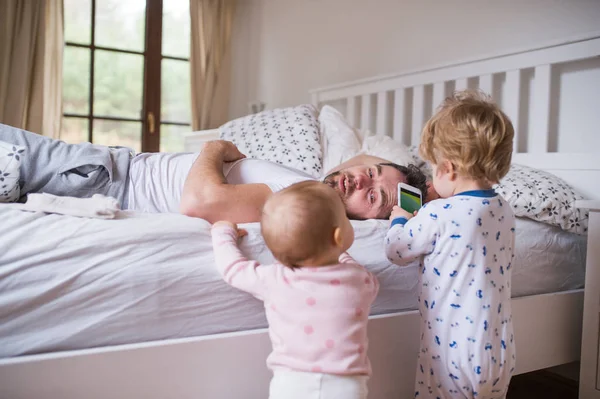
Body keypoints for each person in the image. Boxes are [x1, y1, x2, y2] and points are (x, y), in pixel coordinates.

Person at [0, 123, 432, 223]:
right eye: (371, 171)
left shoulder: (304, 200)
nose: (359, 180)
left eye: (372, 196)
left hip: (104, 178)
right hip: (108, 168)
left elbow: (198, 203)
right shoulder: (311, 182)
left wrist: (215, 148)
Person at [384, 90, 516, 399]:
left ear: (449, 168)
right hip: (498, 347)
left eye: (432, 168)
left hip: (451, 349)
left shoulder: (438, 212)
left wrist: (400, 219)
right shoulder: (505, 211)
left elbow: (396, 250)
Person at [210, 180, 379, 399]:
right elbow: (365, 280)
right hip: (346, 387)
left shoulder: (274, 279)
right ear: (338, 238)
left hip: (290, 384)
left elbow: (232, 268)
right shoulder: (360, 280)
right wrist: (339, 254)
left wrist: (223, 232)